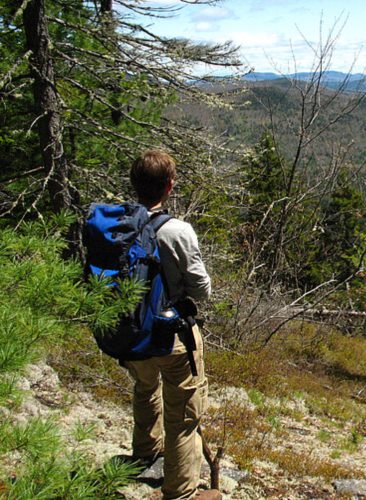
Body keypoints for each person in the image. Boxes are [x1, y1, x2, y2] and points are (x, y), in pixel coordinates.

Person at [124, 149, 219, 500]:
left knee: (144, 389)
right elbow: (201, 289)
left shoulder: (117, 225)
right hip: (172, 335)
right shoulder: (177, 231)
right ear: (169, 187)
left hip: (130, 330)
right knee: (183, 414)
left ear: (135, 185)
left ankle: (144, 454)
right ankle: (180, 492)